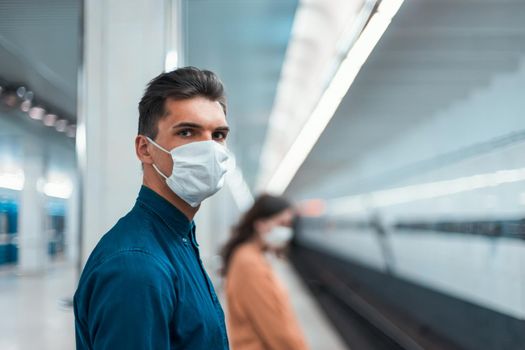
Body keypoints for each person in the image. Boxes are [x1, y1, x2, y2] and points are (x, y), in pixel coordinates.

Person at [74, 67, 232, 349]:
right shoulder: (137, 267)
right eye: (187, 132)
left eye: (218, 135)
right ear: (144, 149)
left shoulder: (178, 239)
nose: (209, 149)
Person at [221, 195, 308, 350]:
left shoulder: (251, 256)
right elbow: (277, 331)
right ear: (261, 224)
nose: (286, 231)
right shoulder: (249, 264)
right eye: (282, 223)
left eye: (289, 225)